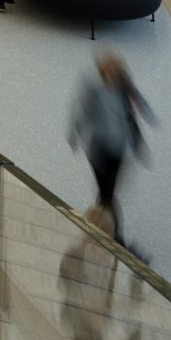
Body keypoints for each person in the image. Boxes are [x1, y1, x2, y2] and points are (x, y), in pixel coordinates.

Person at [69, 53, 155, 253]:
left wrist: (139, 143)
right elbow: (83, 112)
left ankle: (98, 230)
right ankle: (117, 238)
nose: (113, 73)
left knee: (106, 193)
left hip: (117, 149)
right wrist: (74, 133)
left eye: (116, 70)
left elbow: (137, 115)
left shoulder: (125, 90)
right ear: (103, 71)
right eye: (109, 69)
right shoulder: (94, 90)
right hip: (98, 150)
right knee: (107, 194)